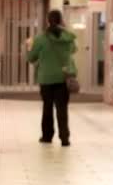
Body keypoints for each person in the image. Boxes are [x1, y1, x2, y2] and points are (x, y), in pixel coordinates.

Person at [27, 10, 77, 147]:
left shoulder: (40, 39)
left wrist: (29, 46)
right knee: (62, 109)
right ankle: (65, 138)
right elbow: (73, 50)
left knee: (47, 108)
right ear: (61, 20)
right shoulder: (68, 38)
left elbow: (30, 58)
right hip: (63, 78)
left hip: (46, 79)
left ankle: (47, 136)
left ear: (48, 21)